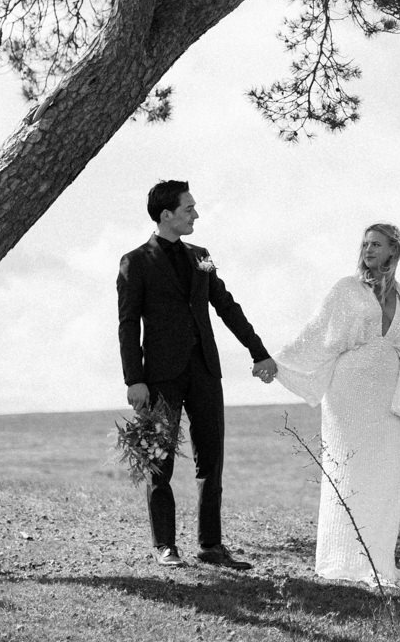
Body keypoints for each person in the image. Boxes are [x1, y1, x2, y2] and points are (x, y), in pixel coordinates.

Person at [117, 179, 279, 569]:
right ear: (166, 214)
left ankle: (210, 546)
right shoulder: (134, 261)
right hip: (159, 376)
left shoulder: (202, 256)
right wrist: (133, 379)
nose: (196, 215)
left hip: (205, 370)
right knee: (160, 460)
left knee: (212, 461)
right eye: (189, 209)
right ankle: (165, 546)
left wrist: (259, 352)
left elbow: (226, 306)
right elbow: (127, 324)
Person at [275, 223, 400, 588]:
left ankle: (378, 561)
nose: (368, 249)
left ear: (394, 250)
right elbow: (316, 335)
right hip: (347, 395)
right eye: (364, 243)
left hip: (386, 399)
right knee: (348, 471)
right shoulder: (346, 290)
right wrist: (279, 364)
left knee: (386, 474)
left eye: (376, 244)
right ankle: (341, 559)